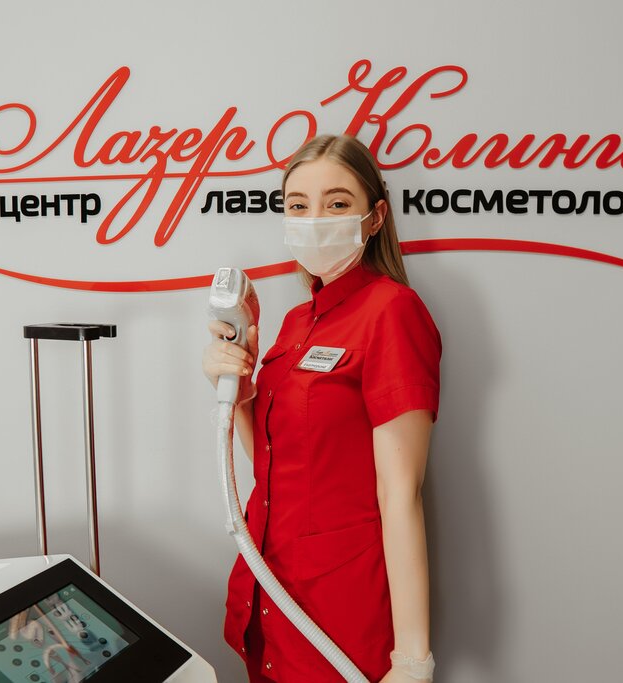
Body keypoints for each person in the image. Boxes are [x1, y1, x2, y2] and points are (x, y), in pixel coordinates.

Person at [202, 134, 441, 682]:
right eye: (297, 205)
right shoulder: (295, 322)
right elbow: (276, 462)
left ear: (375, 216)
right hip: (271, 588)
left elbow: (401, 494)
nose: (314, 220)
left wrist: (412, 659)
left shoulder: (392, 312)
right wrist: (234, 388)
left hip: (337, 610)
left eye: (336, 204)